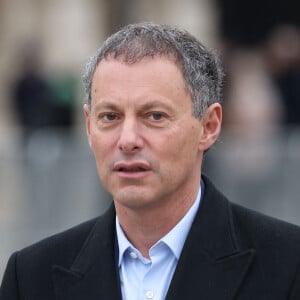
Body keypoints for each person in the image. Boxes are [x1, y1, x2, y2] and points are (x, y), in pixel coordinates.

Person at [1, 22, 300, 300]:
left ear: (208, 127)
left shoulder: (287, 264)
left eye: (154, 116)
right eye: (110, 117)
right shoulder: (29, 279)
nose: (128, 138)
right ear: (89, 127)